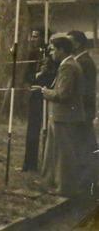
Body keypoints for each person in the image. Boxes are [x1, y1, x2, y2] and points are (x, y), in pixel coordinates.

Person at [40, 36, 89, 197]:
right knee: (57, 151)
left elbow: (63, 94)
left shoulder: (67, 67)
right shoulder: (69, 64)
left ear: (62, 50)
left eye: (53, 49)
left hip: (65, 116)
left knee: (63, 154)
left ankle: (64, 188)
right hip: (64, 116)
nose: (51, 53)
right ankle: (52, 181)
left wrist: (46, 92)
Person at [23, 29, 55, 172]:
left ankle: (47, 165)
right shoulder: (32, 54)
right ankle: (30, 165)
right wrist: (31, 81)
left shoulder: (52, 55)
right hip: (35, 95)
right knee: (32, 129)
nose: (32, 39)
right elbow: (27, 75)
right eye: (32, 36)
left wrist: (44, 73)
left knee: (48, 130)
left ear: (43, 37)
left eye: (36, 36)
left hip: (49, 95)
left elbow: (54, 76)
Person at [67, 30, 97, 184]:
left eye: (70, 42)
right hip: (83, 108)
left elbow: (84, 90)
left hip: (84, 108)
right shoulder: (80, 60)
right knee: (85, 141)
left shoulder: (84, 62)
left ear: (77, 43)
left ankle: (87, 178)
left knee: (84, 142)